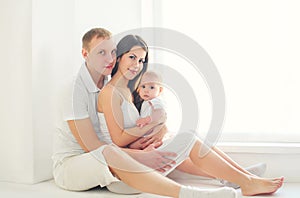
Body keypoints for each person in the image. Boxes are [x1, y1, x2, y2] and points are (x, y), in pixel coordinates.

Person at [52, 27, 237, 198]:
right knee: (110, 152)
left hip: (110, 158)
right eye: (101, 52)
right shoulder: (74, 90)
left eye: (112, 52)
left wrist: (157, 129)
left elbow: (120, 129)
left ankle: (237, 176)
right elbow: (93, 147)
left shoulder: (113, 84)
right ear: (85, 54)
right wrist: (141, 155)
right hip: (73, 164)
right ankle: (194, 194)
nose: (109, 59)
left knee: (175, 138)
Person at [97, 34, 284, 197]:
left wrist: (159, 129)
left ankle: (242, 177)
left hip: (136, 156)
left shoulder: (129, 90)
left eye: (141, 60)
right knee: (187, 138)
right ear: (119, 57)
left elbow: (136, 128)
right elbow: (119, 139)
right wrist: (150, 131)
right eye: (132, 57)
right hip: (125, 171)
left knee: (188, 136)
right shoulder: (110, 92)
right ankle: (246, 181)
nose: (137, 65)